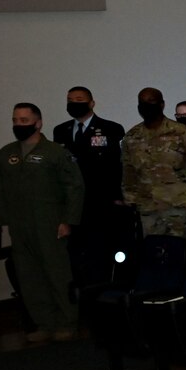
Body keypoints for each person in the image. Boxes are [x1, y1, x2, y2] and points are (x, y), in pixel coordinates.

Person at [0, 104, 84, 342]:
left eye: (24, 120)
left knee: (57, 274)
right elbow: (0, 188)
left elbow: (74, 187)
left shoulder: (55, 152)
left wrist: (68, 220)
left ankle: (67, 321)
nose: (19, 124)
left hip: (50, 222)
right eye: (15, 120)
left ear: (38, 123)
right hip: (20, 225)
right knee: (29, 276)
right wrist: (6, 220)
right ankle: (44, 322)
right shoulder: (6, 153)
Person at [54, 85, 130, 278]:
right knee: (76, 254)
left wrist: (119, 196)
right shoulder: (61, 131)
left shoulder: (110, 129)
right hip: (74, 204)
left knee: (103, 252)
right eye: (70, 100)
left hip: (102, 202)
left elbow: (119, 165)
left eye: (79, 100)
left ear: (91, 103)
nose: (74, 104)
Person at [122, 88, 186, 241]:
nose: (147, 106)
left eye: (151, 102)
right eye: (143, 103)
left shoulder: (181, 132)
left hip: (179, 207)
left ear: (162, 104)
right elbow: (128, 172)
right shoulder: (132, 137)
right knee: (154, 255)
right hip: (147, 208)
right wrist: (130, 201)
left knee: (183, 253)